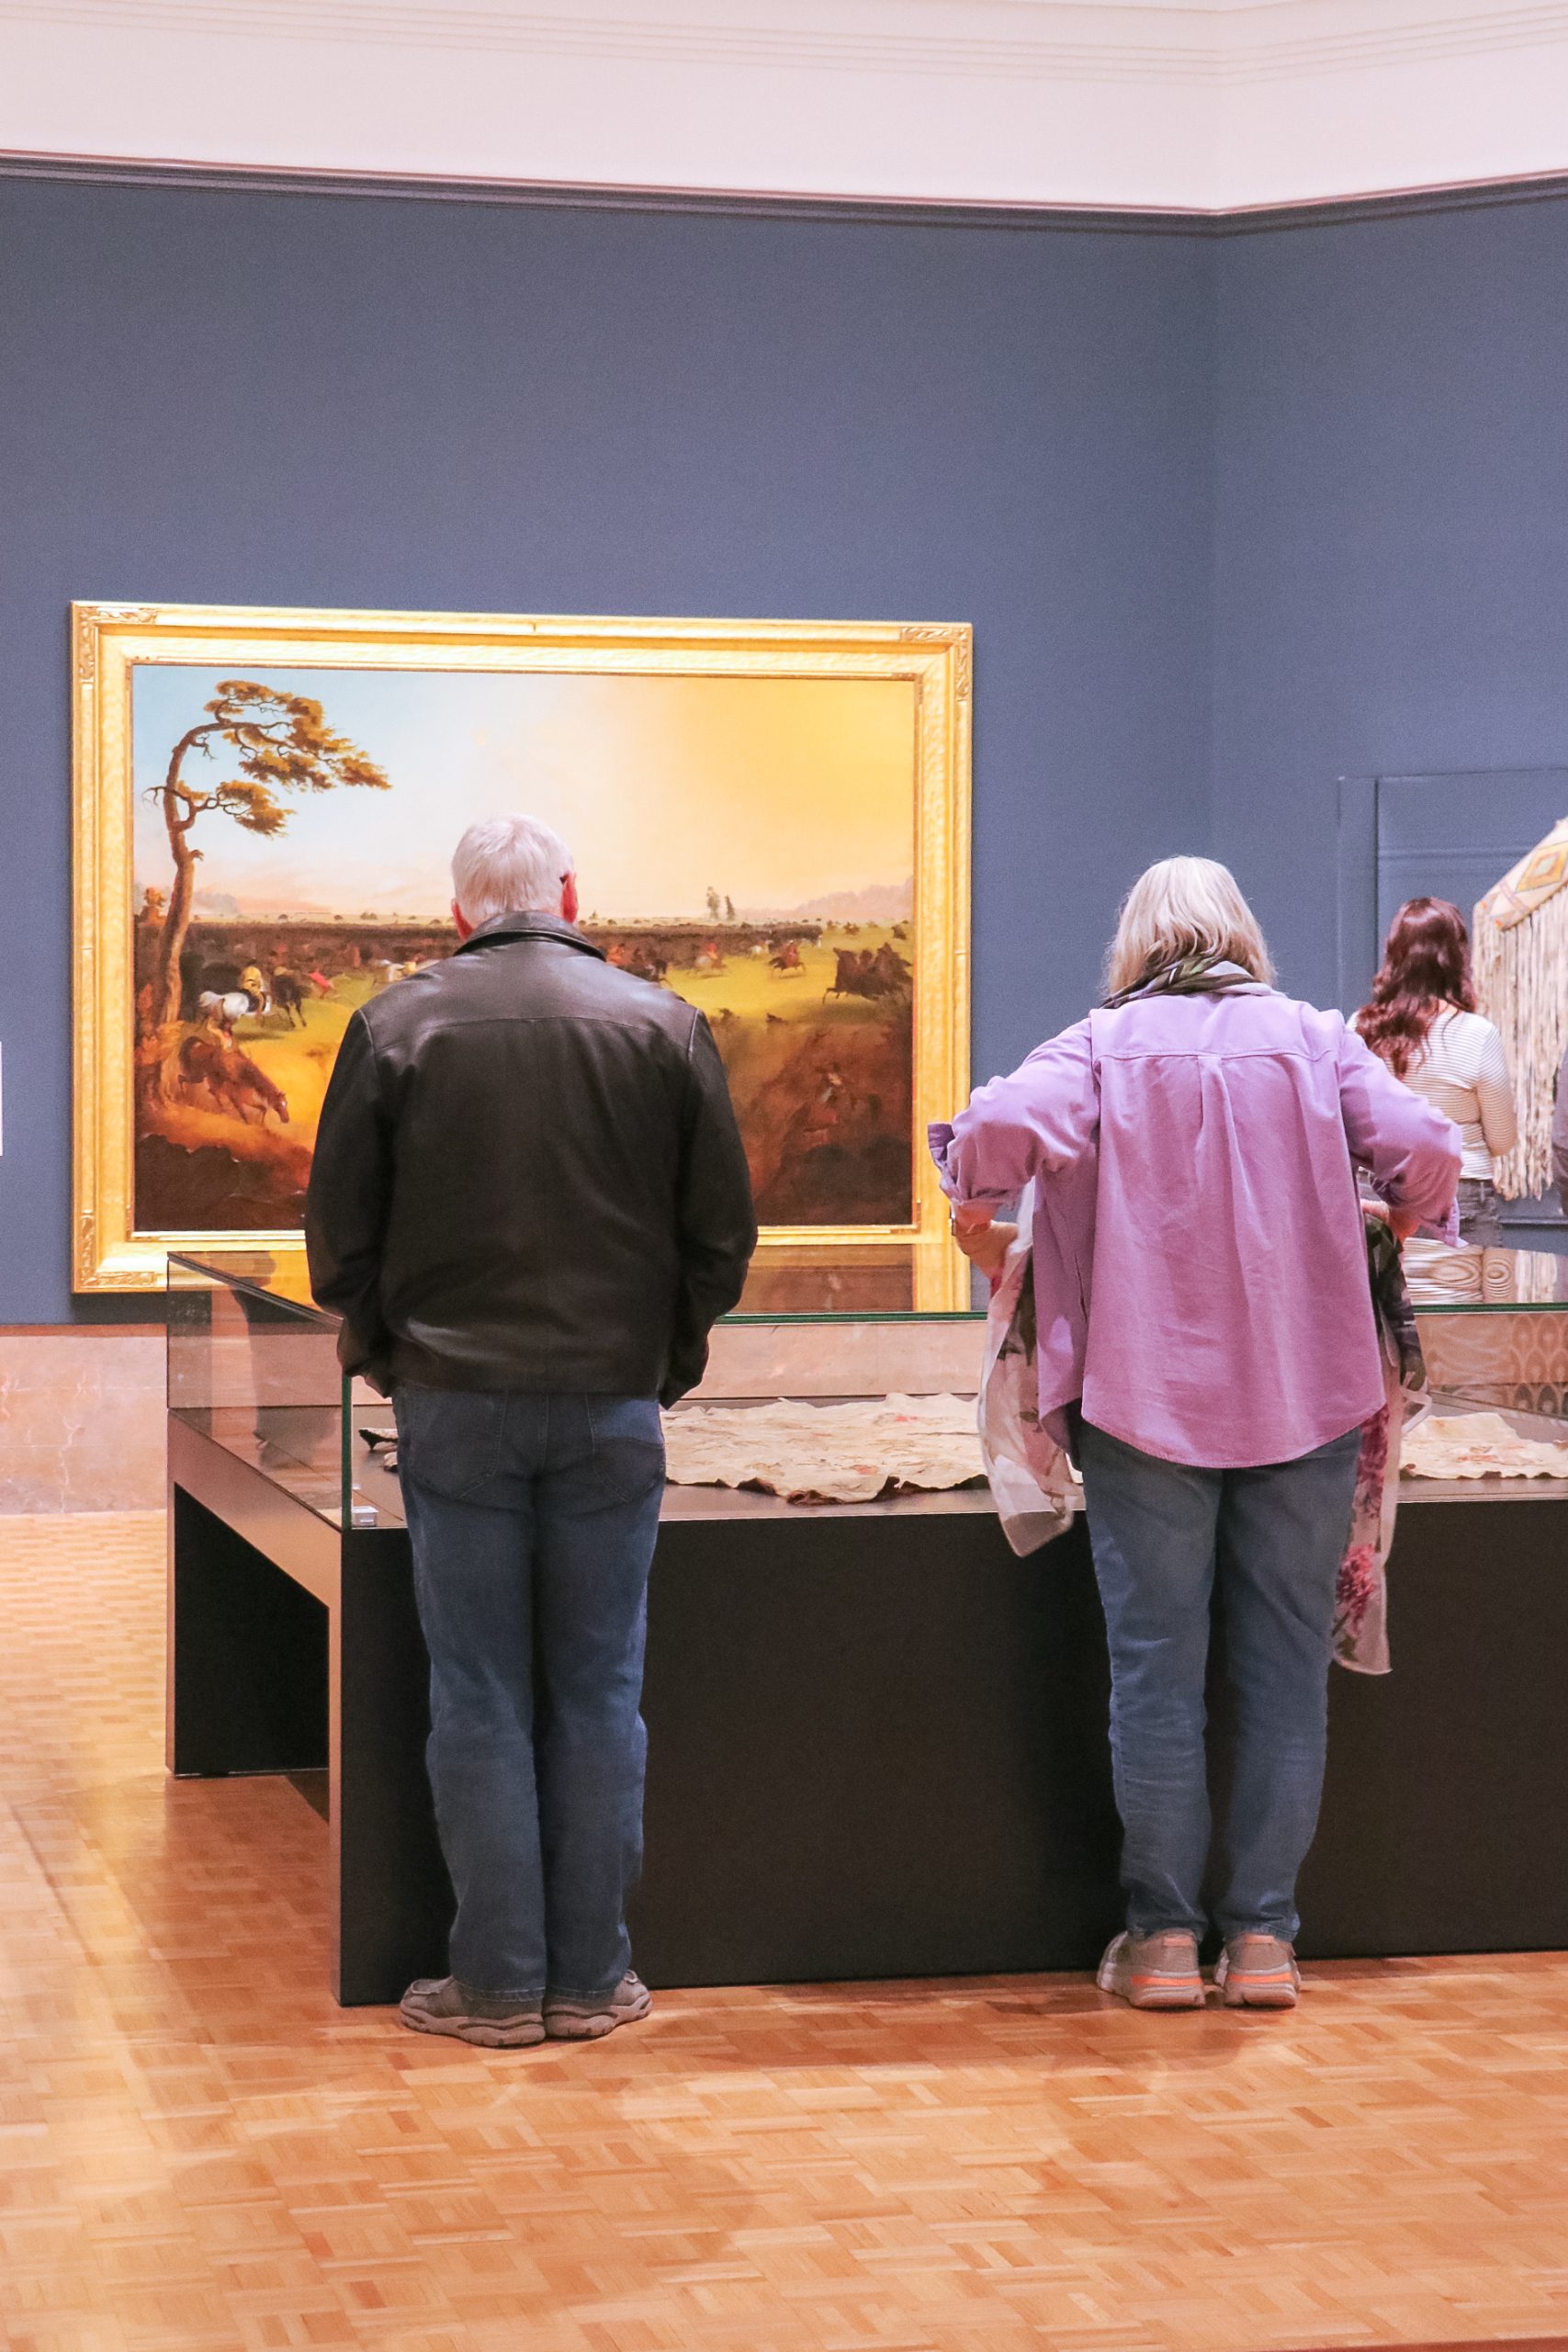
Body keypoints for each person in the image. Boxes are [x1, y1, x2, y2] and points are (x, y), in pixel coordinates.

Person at [933, 858, 1459, 2014]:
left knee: (1156, 1678)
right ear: (1240, 936)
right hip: (1308, 1398)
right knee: (1283, 1675)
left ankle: (1165, 1940)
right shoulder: (1316, 1040)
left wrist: (972, 1178)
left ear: (1137, 945)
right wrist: (1397, 1216)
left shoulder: (1100, 1045)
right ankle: (1264, 1942)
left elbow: (994, 1138)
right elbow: (1427, 1146)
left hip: (1144, 1404)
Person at [305, 813, 757, 2051]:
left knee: (481, 1696)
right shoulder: (661, 1023)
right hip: (610, 1404)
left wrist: (388, 1357)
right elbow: (720, 1235)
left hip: (452, 1403)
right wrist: (658, 1361)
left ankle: (497, 1985)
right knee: (601, 1692)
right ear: (568, 890)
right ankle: (592, 1980)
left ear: (458, 911)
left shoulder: (395, 1025)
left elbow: (338, 1242)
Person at [1354, 899, 1517, 1245]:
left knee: (1379, 1299)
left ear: (1394, 954)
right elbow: (1503, 1141)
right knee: (1463, 1300)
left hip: (1374, 1192)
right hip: (1460, 1192)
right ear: (1458, 956)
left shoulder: (1360, 1027)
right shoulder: (1478, 1033)